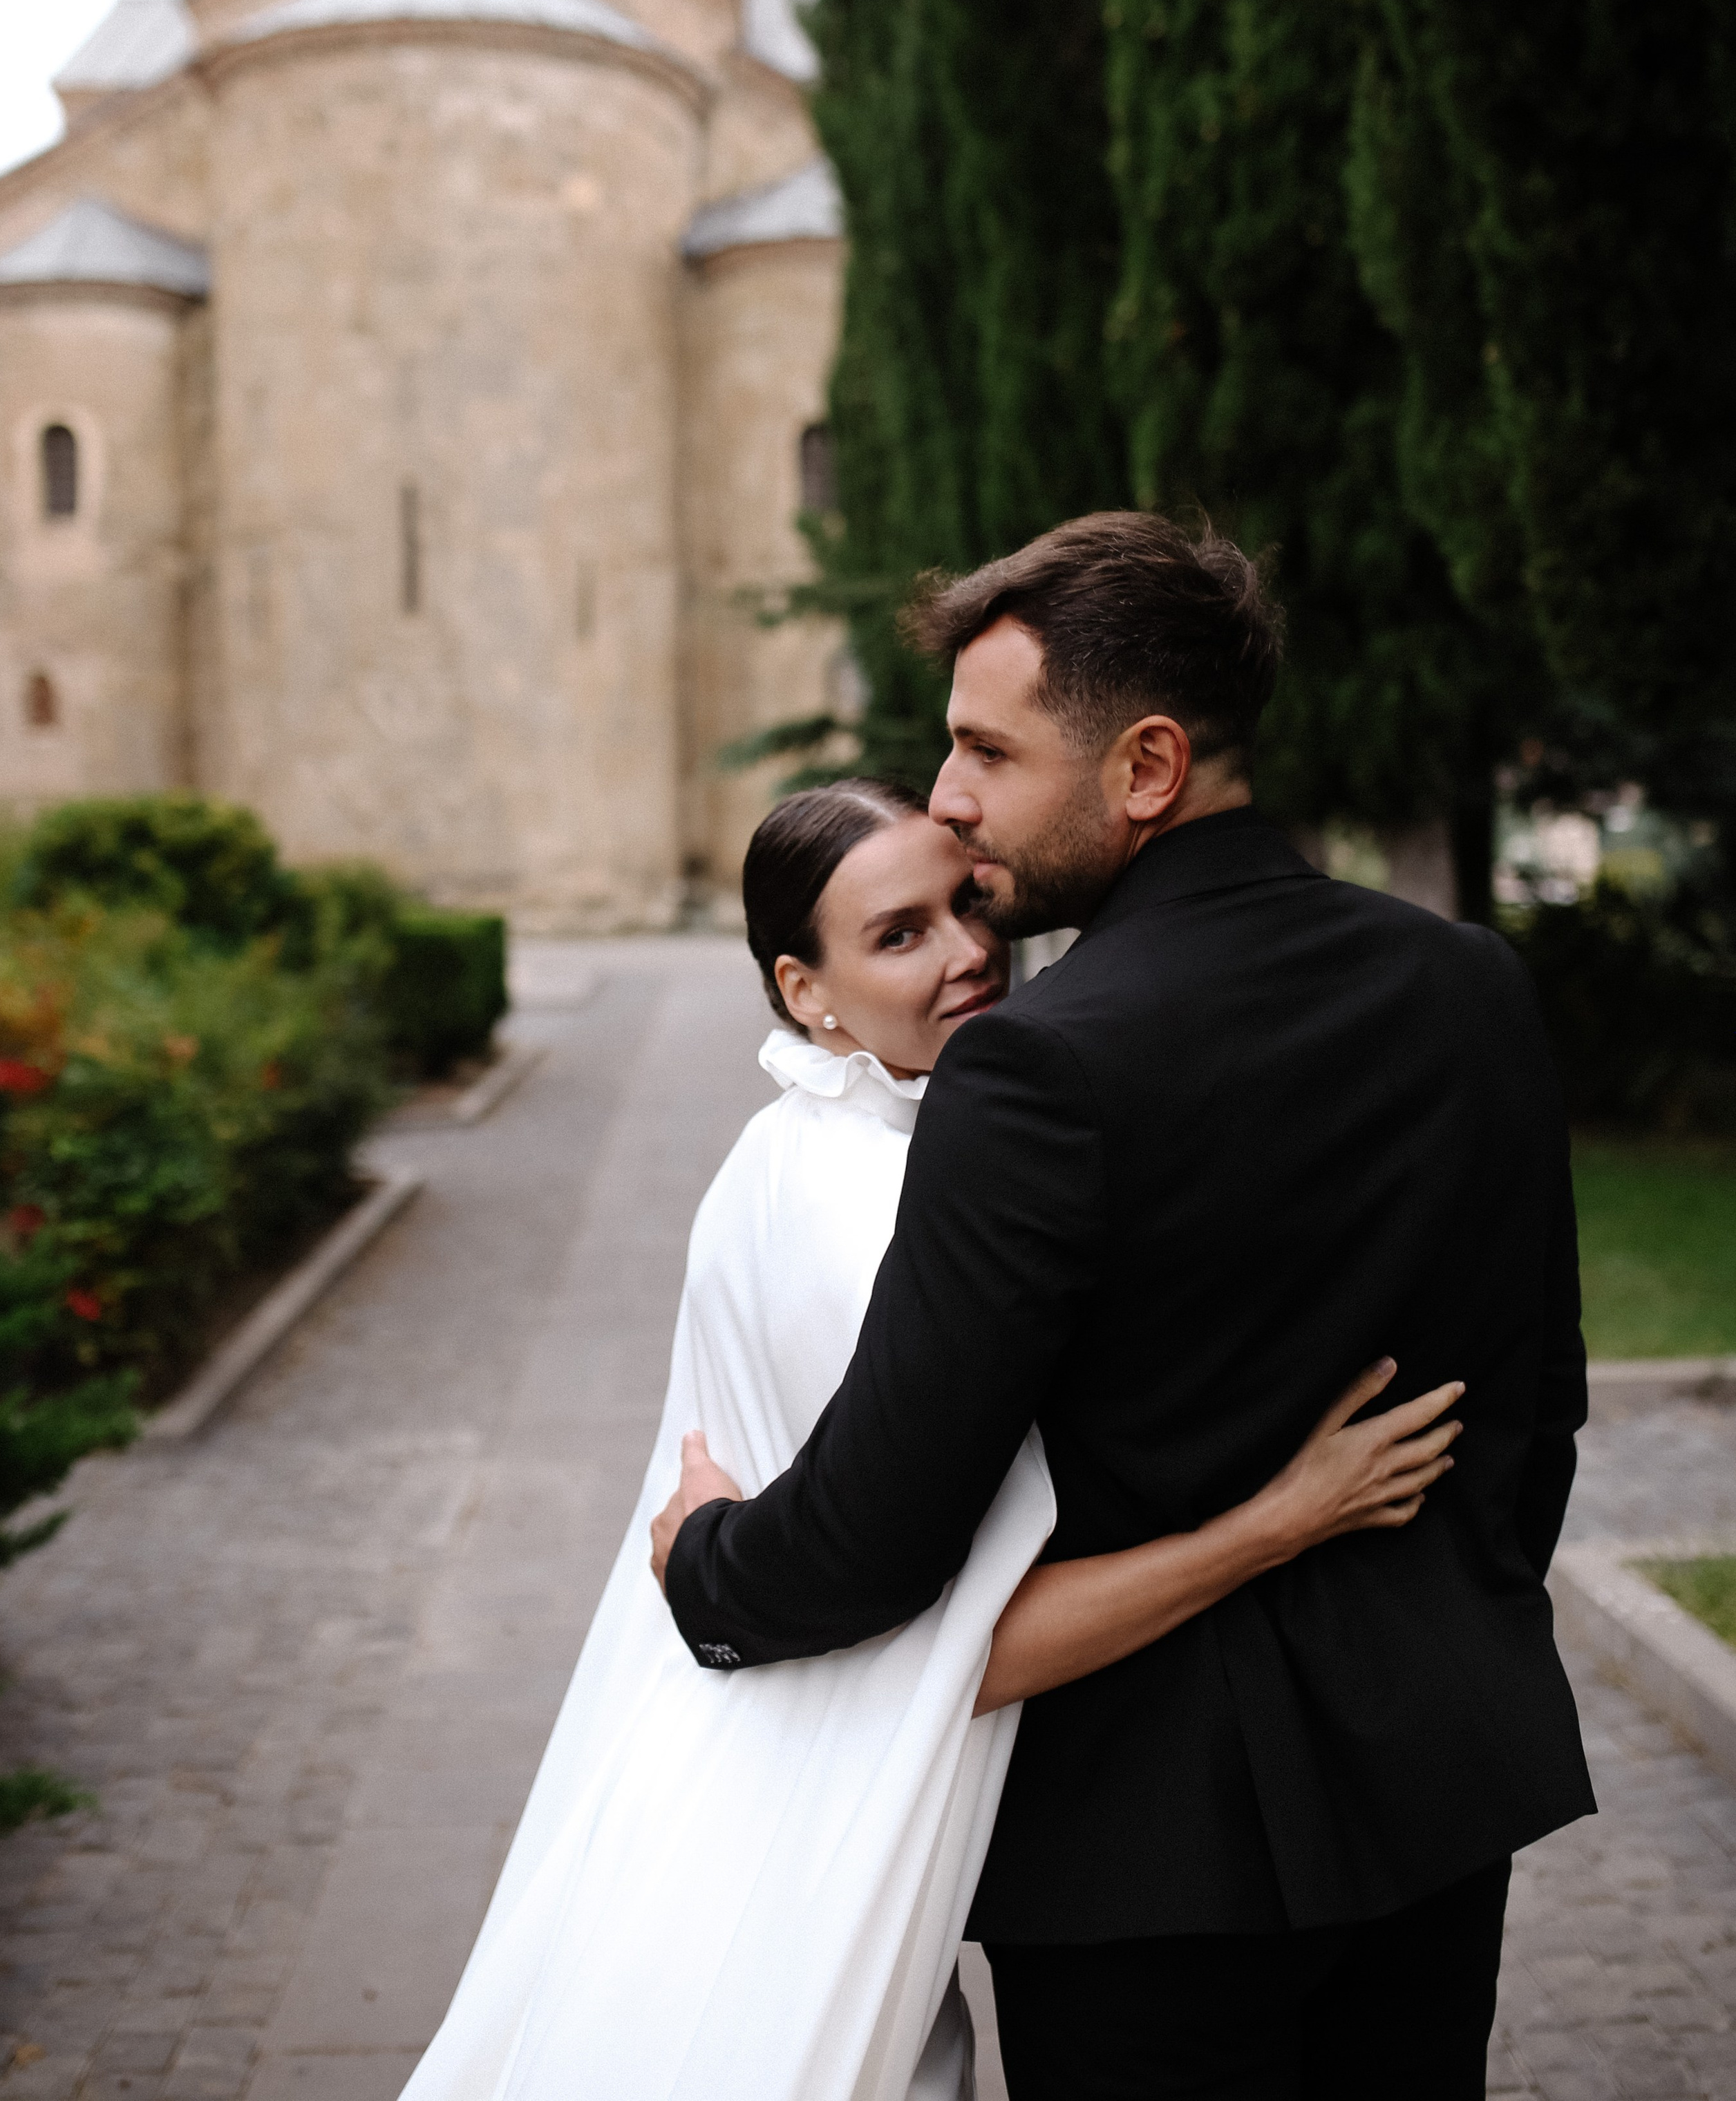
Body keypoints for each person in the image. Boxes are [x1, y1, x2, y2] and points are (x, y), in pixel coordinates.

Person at [659, 512, 1594, 2101]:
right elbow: (1534, 1420)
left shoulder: (1038, 1070)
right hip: (1439, 1783)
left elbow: (885, 1527)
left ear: (1144, 767)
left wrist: (710, 1564)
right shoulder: (1469, 985)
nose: (945, 798)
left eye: (983, 751)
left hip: (1139, 1864)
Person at [402, 778, 1462, 2101]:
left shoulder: (798, 1145)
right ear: (806, 991)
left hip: (746, 1800)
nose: (971, 952)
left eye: (968, 902)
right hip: (806, 1864)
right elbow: (943, 1653)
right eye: (900, 934)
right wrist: (1277, 1522)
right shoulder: (870, 1208)